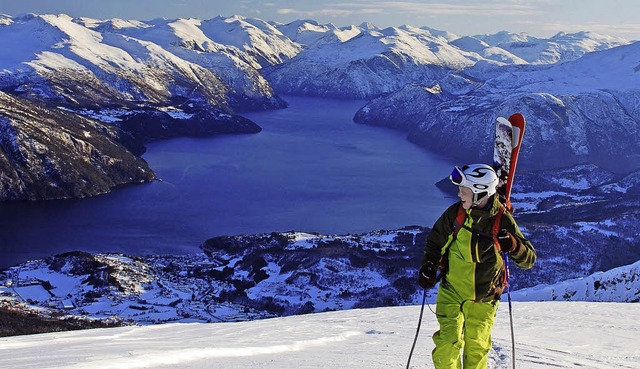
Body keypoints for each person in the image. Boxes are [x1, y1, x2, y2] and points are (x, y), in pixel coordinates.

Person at [418, 163, 536, 369]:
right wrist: (429, 266)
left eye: (464, 191)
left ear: (481, 194)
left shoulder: (502, 221)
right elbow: (435, 243)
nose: (459, 194)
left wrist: (514, 245)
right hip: (452, 291)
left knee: (476, 349)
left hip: (485, 297)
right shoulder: (456, 214)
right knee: (447, 345)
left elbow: (529, 260)